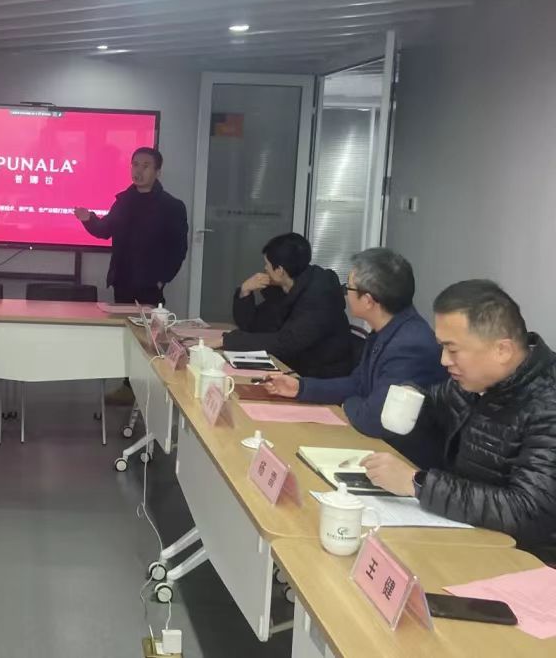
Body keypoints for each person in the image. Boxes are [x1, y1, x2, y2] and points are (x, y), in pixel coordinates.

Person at [362, 280, 556, 561]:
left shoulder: (547, 403)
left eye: (453, 350)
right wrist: (410, 395)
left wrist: (417, 483)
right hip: (467, 535)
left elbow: (527, 510)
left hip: (525, 561)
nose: (443, 361)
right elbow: (434, 403)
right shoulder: (474, 383)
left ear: (502, 350)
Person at [264, 248, 446, 467]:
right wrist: (301, 387)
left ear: (368, 300)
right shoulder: (389, 328)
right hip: (377, 448)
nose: (345, 293)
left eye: (348, 287)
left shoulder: (410, 346)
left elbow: (373, 419)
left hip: (403, 463)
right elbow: (358, 383)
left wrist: (346, 402)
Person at [223, 233, 353, 377]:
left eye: (267, 264)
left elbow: (285, 343)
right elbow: (253, 326)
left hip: (321, 376)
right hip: (295, 366)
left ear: (279, 270)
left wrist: (227, 341)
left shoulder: (319, 296)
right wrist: (245, 291)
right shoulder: (289, 286)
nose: (265, 268)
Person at [73, 147, 188, 307]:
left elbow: (178, 249)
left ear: (157, 172)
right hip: (122, 281)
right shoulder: (123, 201)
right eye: (135, 165)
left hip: (150, 284)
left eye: (145, 166)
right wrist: (88, 219)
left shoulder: (171, 206)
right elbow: (104, 230)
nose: (138, 170)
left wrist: (162, 279)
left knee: (148, 322)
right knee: (122, 321)